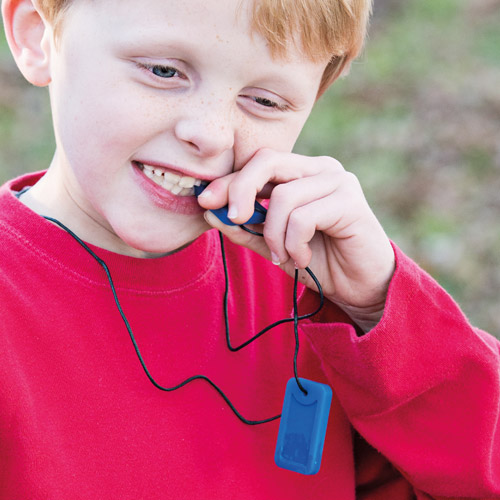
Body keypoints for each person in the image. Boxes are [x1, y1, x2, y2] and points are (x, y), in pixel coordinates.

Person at [0, 0, 498, 498]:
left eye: (264, 101)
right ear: (36, 35)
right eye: (163, 71)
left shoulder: (314, 294)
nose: (210, 135)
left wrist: (380, 309)